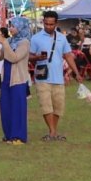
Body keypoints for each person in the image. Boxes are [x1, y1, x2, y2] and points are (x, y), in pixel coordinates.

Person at [28, 10, 73, 141]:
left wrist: (76, 72)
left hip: (58, 77)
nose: (48, 26)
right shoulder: (36, 38)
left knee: (58, 107)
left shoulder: (62, 38)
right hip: (42, 77)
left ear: (56, 23)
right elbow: (29, 57)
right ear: (43, 22)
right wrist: (37, 57)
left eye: (51, 24)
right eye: (46, 24)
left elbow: (68, 55)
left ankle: (53, 130)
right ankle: (52, 131)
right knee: (46, 105)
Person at [0, 17, 32, 144]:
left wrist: (4, 43)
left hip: (18, 79)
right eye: (10, 26)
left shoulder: (25, 43)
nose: (11, 28)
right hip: (6, 78)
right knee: (5, 107)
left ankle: (18, 136)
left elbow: (14, 58)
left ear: (21, 27)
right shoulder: (10, 40)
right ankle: (9, 134)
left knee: (18, 108)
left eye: (13, 26)